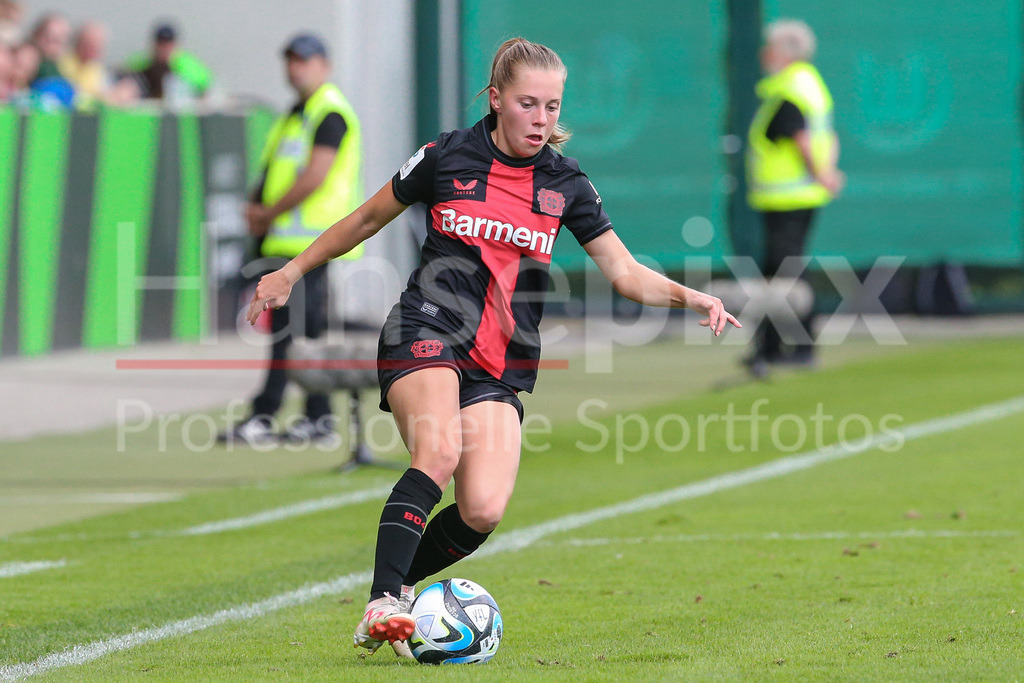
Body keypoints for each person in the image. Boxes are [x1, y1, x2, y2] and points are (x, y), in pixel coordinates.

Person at [245, 37, 740, 659]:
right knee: (440, 450)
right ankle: (381, 601)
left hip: (499, 357)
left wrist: (692, 297)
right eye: (528, 103)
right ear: (497, 98)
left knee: (482, 508)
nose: (541, 119)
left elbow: (625, 272)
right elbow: (366, 219)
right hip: (422, 328)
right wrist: (290, 272)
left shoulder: (567, 185)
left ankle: (398, 595)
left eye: (553, 107)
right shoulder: (445, 156)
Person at [219, 33, 363, 446]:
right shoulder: (296, 114)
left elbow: (315, 175)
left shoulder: (328, 113)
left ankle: (267, 416)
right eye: (290, 60)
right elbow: (275, 171)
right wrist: (257, 208)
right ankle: (317, 418)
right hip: (287, 242)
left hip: (312, 243)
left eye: (303, 59)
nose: (294, 67)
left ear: (324, 64)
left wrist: (268, 212)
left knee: (292, 331)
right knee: (300, 331)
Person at [744, 19, 844, 378]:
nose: (763, 54)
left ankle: (799, 346)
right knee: (779, 271)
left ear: (785, 52)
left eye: (769, 47)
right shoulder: (808, 84)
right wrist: (827, 173)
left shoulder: (791, 86)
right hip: (791, 196)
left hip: (789, 198)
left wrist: (821, 175)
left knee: (786, 272)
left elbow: (801, 138)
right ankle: (769, 347)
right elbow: (829, 137)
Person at [125, 23, 212, 100]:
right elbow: (124, 71)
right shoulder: (143, 61)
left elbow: (206, 85)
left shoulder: (186, 65)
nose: (164, 49)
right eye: (161, 44)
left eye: (168, 44)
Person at [60, 21, 111, 108]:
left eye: (98, 44)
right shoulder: (63, 64)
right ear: (78, 42)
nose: (95, 48)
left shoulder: (96, 68)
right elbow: (74, 98)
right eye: (90, 43)